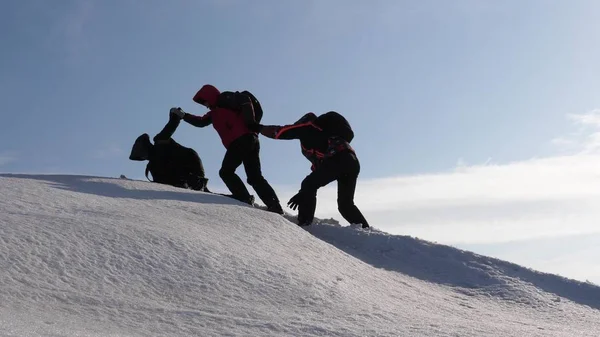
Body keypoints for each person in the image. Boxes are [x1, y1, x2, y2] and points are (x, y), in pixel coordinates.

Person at [170, 84, 284, 213]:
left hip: (240, 141)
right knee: (255, 177)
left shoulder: (225, 100)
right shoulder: (214, 113)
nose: (206, 104)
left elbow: (244, 100)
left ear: (210, 96)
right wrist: (183, 115)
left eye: (205, 101)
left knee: (226, 172)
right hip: (251, 140)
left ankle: (244, 198)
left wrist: (250, 122)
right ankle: (275, 206)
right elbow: (200, 122)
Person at [253, 111, 370, 228]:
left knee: (309, 183)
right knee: (345, 205)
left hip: (339, 159)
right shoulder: (324, 138)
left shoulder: (309, 128)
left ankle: (305, 223)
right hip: (351, 163)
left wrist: (258, 127)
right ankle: (365, 230)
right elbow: (319, 169)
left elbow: (280, 132)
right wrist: (302, 193)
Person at [129, 109, 210, 192]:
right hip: (184, 181)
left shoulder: (160, 142)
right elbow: (160, 185)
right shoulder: (153, 166)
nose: (144, 157)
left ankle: (197, 184)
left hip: (192, 169)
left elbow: (171, 125)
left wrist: (175, 115)